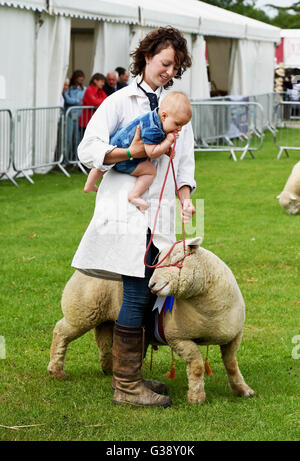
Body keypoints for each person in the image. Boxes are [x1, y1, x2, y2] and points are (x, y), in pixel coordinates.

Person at [72, 27, 195, 408]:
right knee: (140, 290)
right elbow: (87, 149)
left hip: (160, 217)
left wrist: (186, 199)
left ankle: (133, 375)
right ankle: (126, 386)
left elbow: (184, 164)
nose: (169, 71)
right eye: (164, 63)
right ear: (146, 57)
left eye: (174, 67)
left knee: (148, 293)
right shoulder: (118, 101)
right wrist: (128, 153)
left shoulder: (178, 105)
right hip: (126, 211)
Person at [83, 91, 192, 214]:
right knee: (150, 171)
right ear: (164, 115)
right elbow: (151, 152)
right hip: (126, 160)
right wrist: (168, 141)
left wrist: (166, 150)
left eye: (182, 125)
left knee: (104, 161)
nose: (179, 129)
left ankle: (90, 184)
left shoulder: (153, 118)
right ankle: (134, 195)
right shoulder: (154, 129)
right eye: (177, 124)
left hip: (116, 143)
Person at [63, 70, 86, 161]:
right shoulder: (68, 89)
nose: (80, 80)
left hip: (79, 116)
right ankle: (66, 160)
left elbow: (83, 101)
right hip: (69, 116)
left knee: (77, 139)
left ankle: (76, 159)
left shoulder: (84, 89)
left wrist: (74, 101)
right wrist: (77, 101)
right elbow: (67, 100)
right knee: (68, 139)